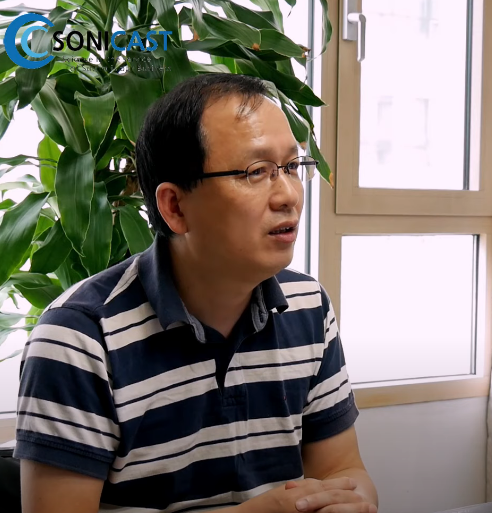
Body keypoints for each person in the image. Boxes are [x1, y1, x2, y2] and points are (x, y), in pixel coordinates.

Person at [14, 74, 378, 513]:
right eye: (256, 172)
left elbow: (343, 470)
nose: (288, 196)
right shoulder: (77, 338)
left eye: (291, 167)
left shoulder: (308, 306)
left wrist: (351, 501)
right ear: (175, 207)